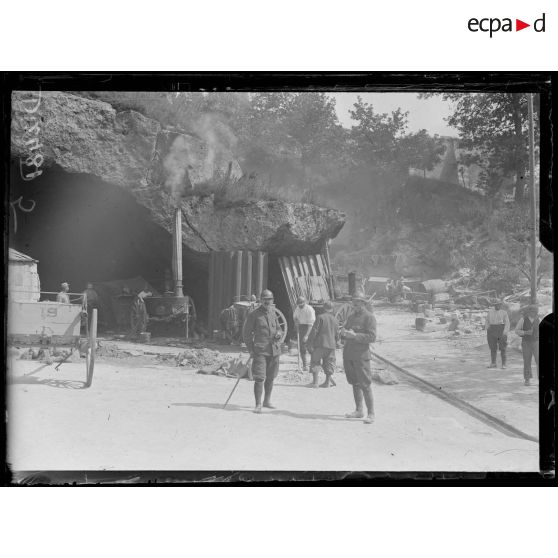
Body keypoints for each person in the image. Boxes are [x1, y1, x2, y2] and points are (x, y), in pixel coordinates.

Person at [242, 289, 283, 414]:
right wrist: (251, 350)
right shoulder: (254, 314)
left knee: (271, 377)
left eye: (269, 299)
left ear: (272, 300)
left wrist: (279, 334)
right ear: (261, 300)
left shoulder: (273, 313)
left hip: (274, 351)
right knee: (259, 378)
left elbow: (279, 328)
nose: (267, 301)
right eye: (265, 299)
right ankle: (258, 404)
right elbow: (246, 334)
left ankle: (267, 401)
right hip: (260, 351)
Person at [340, 290, 377, 424]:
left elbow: (372, 337)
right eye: (354, 303)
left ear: (363, 303)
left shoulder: (369, 317)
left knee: (365, 385)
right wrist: (343, 333)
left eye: (358, 303)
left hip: (361, 356)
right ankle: (359, 410)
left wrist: (355, 336)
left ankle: (371, 414)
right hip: (349, 354)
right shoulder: (351, 317)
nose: (355, 306)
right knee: (355, 383)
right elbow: (345, 334)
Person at [306, 300, 339, 388]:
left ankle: (315, 382)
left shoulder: (320, 317)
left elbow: (314, 331)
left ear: (324, 308)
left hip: (320, 344)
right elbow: (337, 334)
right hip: (331, 345)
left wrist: (309, 343)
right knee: (329, 363)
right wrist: (336, 342)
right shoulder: (335, 320)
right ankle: (327, 383)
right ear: (332, 309)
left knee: (315, 361)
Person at [515, 305, 539, 386]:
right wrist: (525, 332)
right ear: (529, 312)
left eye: (535, 311)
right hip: (526, 343)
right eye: (532, 311)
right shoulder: (523, 320)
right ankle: (527, 379)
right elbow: (516, 330)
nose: (534, 313)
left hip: (536, 342)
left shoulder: (538, 319)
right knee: (527, 361)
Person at [485, 299, 510, 369]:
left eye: (499, 304)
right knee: (492, 347)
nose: (497, 306)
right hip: (492, 330)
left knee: (503, 347)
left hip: (500, 330)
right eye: (496, 305)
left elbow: (507, 323)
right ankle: (493, 363)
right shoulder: (490, 312)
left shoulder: (504, 313)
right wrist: (487, 327)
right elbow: (487, 320)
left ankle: (504, 364)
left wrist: (505, 332)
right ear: (494, 305)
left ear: (501, 305)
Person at [293, 296, 315, 371]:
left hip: (310, 328)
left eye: (301, 304)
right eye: (299, 304)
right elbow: (295, 317)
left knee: (310, 348)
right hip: (301, 327)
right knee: (302, 348)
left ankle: (313, 365)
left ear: (304, 302)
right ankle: (305, 365)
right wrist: (296, 321)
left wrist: (307, 335)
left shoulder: (309, 309)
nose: (300, 305)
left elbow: (311, 324)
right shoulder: (298, 308)